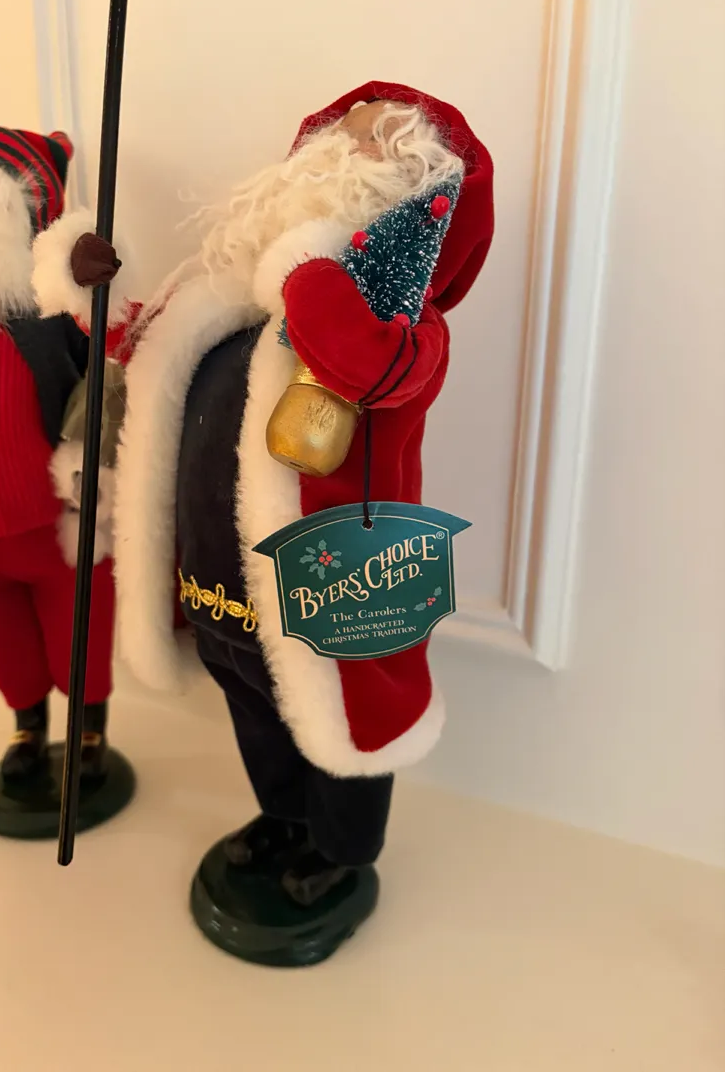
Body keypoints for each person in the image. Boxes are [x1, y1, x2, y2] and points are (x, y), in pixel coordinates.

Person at [33, 80, 494, 906]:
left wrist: (306, 269)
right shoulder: (224, 300)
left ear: (417, 185)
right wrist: (88, 281)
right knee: (252, 704)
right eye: (342, 130)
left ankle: (343, 853)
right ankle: (283, 817)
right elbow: (139, 345)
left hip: (332, 592)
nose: (349, 143)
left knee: (342, 726)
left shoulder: (403, 326)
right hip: (220, 579)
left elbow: (363, 366)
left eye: (378, 139)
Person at [0, 126, 131, 784]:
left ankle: (88, 725)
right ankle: (26, 723)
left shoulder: (46, 303)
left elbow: (114, 353)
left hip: (51, 517)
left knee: (81, 624)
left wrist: (97, 286)